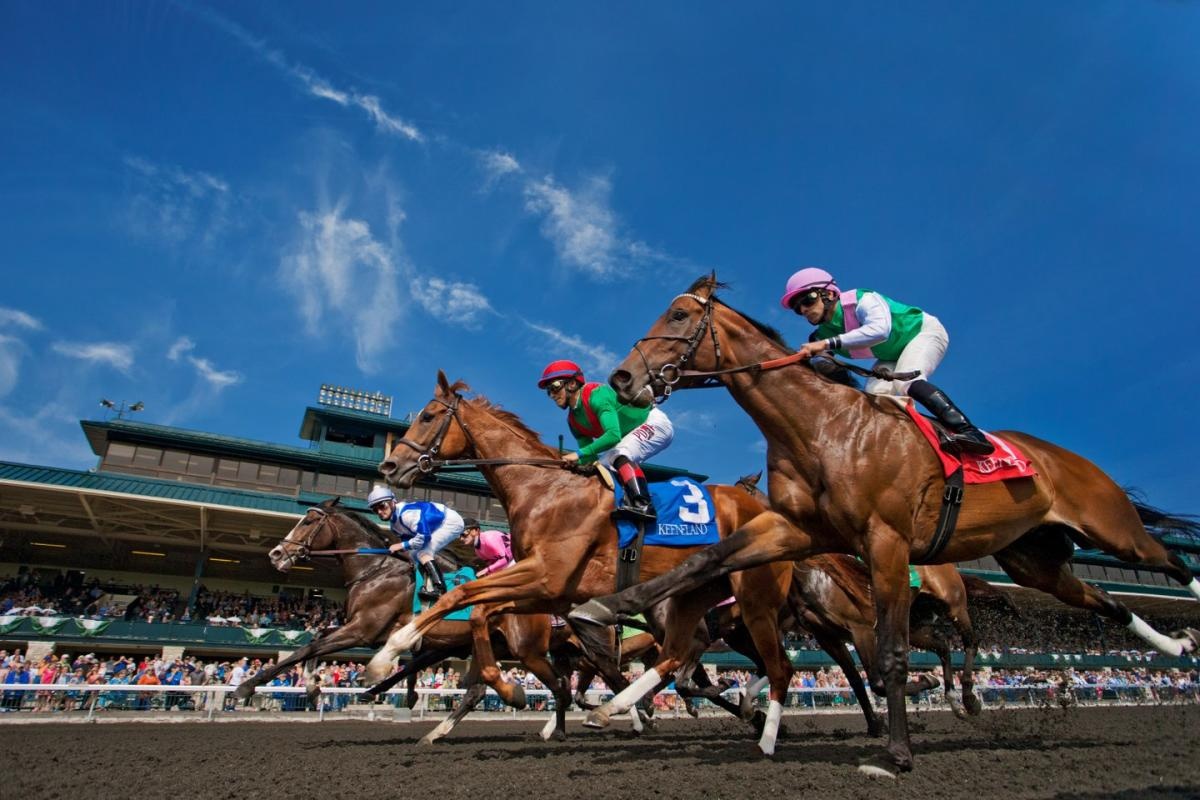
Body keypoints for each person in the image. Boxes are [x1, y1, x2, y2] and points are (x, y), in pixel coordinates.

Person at [780, 267, 993, 455]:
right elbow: (828, 372)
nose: (804, 310)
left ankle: (970, 432)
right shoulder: (820, 335)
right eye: (798, 308)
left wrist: (826, 345)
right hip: (890, 356)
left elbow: (880, 331)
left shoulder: (862, 300)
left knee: (905, 383)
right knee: (874, 403)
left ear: (828, 293)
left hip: (923, 333)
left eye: (808, 300)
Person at [538, 359, 674, 521]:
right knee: (600, 470)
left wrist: (577, 454)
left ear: (572, 384)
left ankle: (643, 505)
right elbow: (590, 459)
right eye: (548, 391)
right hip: (627, 437)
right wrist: (577, 467)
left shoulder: (596, 394)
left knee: (619, 454)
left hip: (653, 423)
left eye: (554, 387)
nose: (552, 395)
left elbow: (613, 435)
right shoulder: (573, 421)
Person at [366, 485, 465, 601]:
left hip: (450, 521)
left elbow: (423, 538)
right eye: (375, 509)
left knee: (423, 552)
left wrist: (400, 545)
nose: (379, 512)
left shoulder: (407, 514)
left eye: (382, 506)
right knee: (414, 554)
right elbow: (410, 545)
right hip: (435, 526)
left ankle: (440, 589)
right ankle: (425, 584)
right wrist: (400, 549)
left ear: (393, 502)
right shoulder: (394, 526)